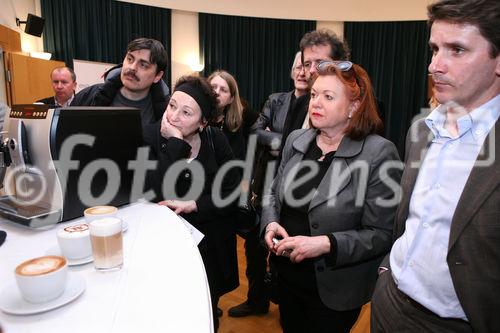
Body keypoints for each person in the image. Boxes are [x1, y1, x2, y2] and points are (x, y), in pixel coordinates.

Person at [371, 0, 500, 332]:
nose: (434, 66)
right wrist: (387, 272)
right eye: (434, 49)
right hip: (389, 302)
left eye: (456, 50)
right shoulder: (421, 130)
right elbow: (409, 219)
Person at [261, 61, 401, 333]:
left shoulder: (379, 153)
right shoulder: (296, 140)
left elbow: (382, 234)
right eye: (314, 94)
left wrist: (326, 244)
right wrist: (270, 223)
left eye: (328, 97)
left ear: (354, 106)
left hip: (334, 292)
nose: (316, 103)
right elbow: (272, 193)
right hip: (286, 278)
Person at [154, 75, 241, 332]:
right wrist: (175, 143)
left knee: (205, 308)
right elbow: (154, 191)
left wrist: (196, 204)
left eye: (186, 112)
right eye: (172, 106)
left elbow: (232, 191)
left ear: (203, 122)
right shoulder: (151, 136)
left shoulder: (216, 140)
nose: (173, 116)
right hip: (165, 248)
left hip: (209, 246)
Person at [227, 52, 308, 318]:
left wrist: (276, 138)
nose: (302, 72)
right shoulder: (276, 100)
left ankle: (286, 306)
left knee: (285, 254)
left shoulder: (318, 102)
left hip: (297, 191)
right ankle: (256, 301)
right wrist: (287, 140)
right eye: (297, 66)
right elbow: (254, 132)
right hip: (263, 183)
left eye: (307, 67)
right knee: (253, 250)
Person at [72, 38, 169, 146]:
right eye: (130, 59)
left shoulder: (166, 114)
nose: (132, 68)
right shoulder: (88, 96)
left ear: (157, 76)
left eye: (143, 65)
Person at [280, 29, 350, 149]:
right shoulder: (300, 103)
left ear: (339, 63)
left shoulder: (357, 104)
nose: (312, 70)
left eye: (320, 62)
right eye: (307, 64)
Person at [208, 70, 259, 160]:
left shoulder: (242, 115)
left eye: (223, 90)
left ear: (231, 99)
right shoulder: (195, 118)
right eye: (213, 87)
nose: (217, 92)